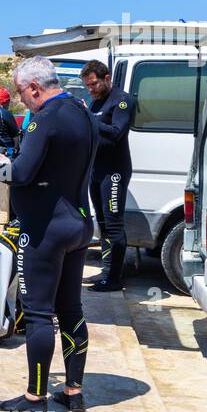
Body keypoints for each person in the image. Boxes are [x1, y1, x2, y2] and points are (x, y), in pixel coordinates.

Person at [0, 56, 98, 412]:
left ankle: (35, 397)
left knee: (36, 313)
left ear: (35, 87)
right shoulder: (82, 111)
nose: (21, 100)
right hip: (79, 222)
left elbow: (23, 173)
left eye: (21, 92)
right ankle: (74, 390)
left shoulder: (45, 119)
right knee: (71, 309)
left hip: (47, 230)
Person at [80, 59, 134, 291]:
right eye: (88, 86)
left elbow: (116, 133)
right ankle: (106, 270)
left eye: (93, 85)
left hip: (115, 171)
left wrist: (89, 117)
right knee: (101, 223)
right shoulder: (94, 104)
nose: (90, 90)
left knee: (113, 224)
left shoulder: (122, 101)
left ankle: (114, 278)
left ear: (107, 78)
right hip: (96, 170)